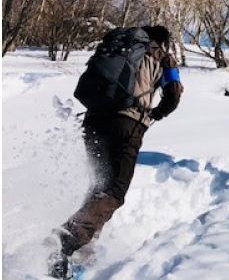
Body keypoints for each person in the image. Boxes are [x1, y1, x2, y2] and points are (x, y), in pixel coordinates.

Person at [48, 25, 183, 279]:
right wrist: (157, 113)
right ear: (162, 41)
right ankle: (64, 241)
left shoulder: (119, 46)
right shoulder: (161, 55)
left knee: (99, 185)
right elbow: (174, 94)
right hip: (127, 125)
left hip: (93, 120)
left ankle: (82, 249)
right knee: (114, 191)